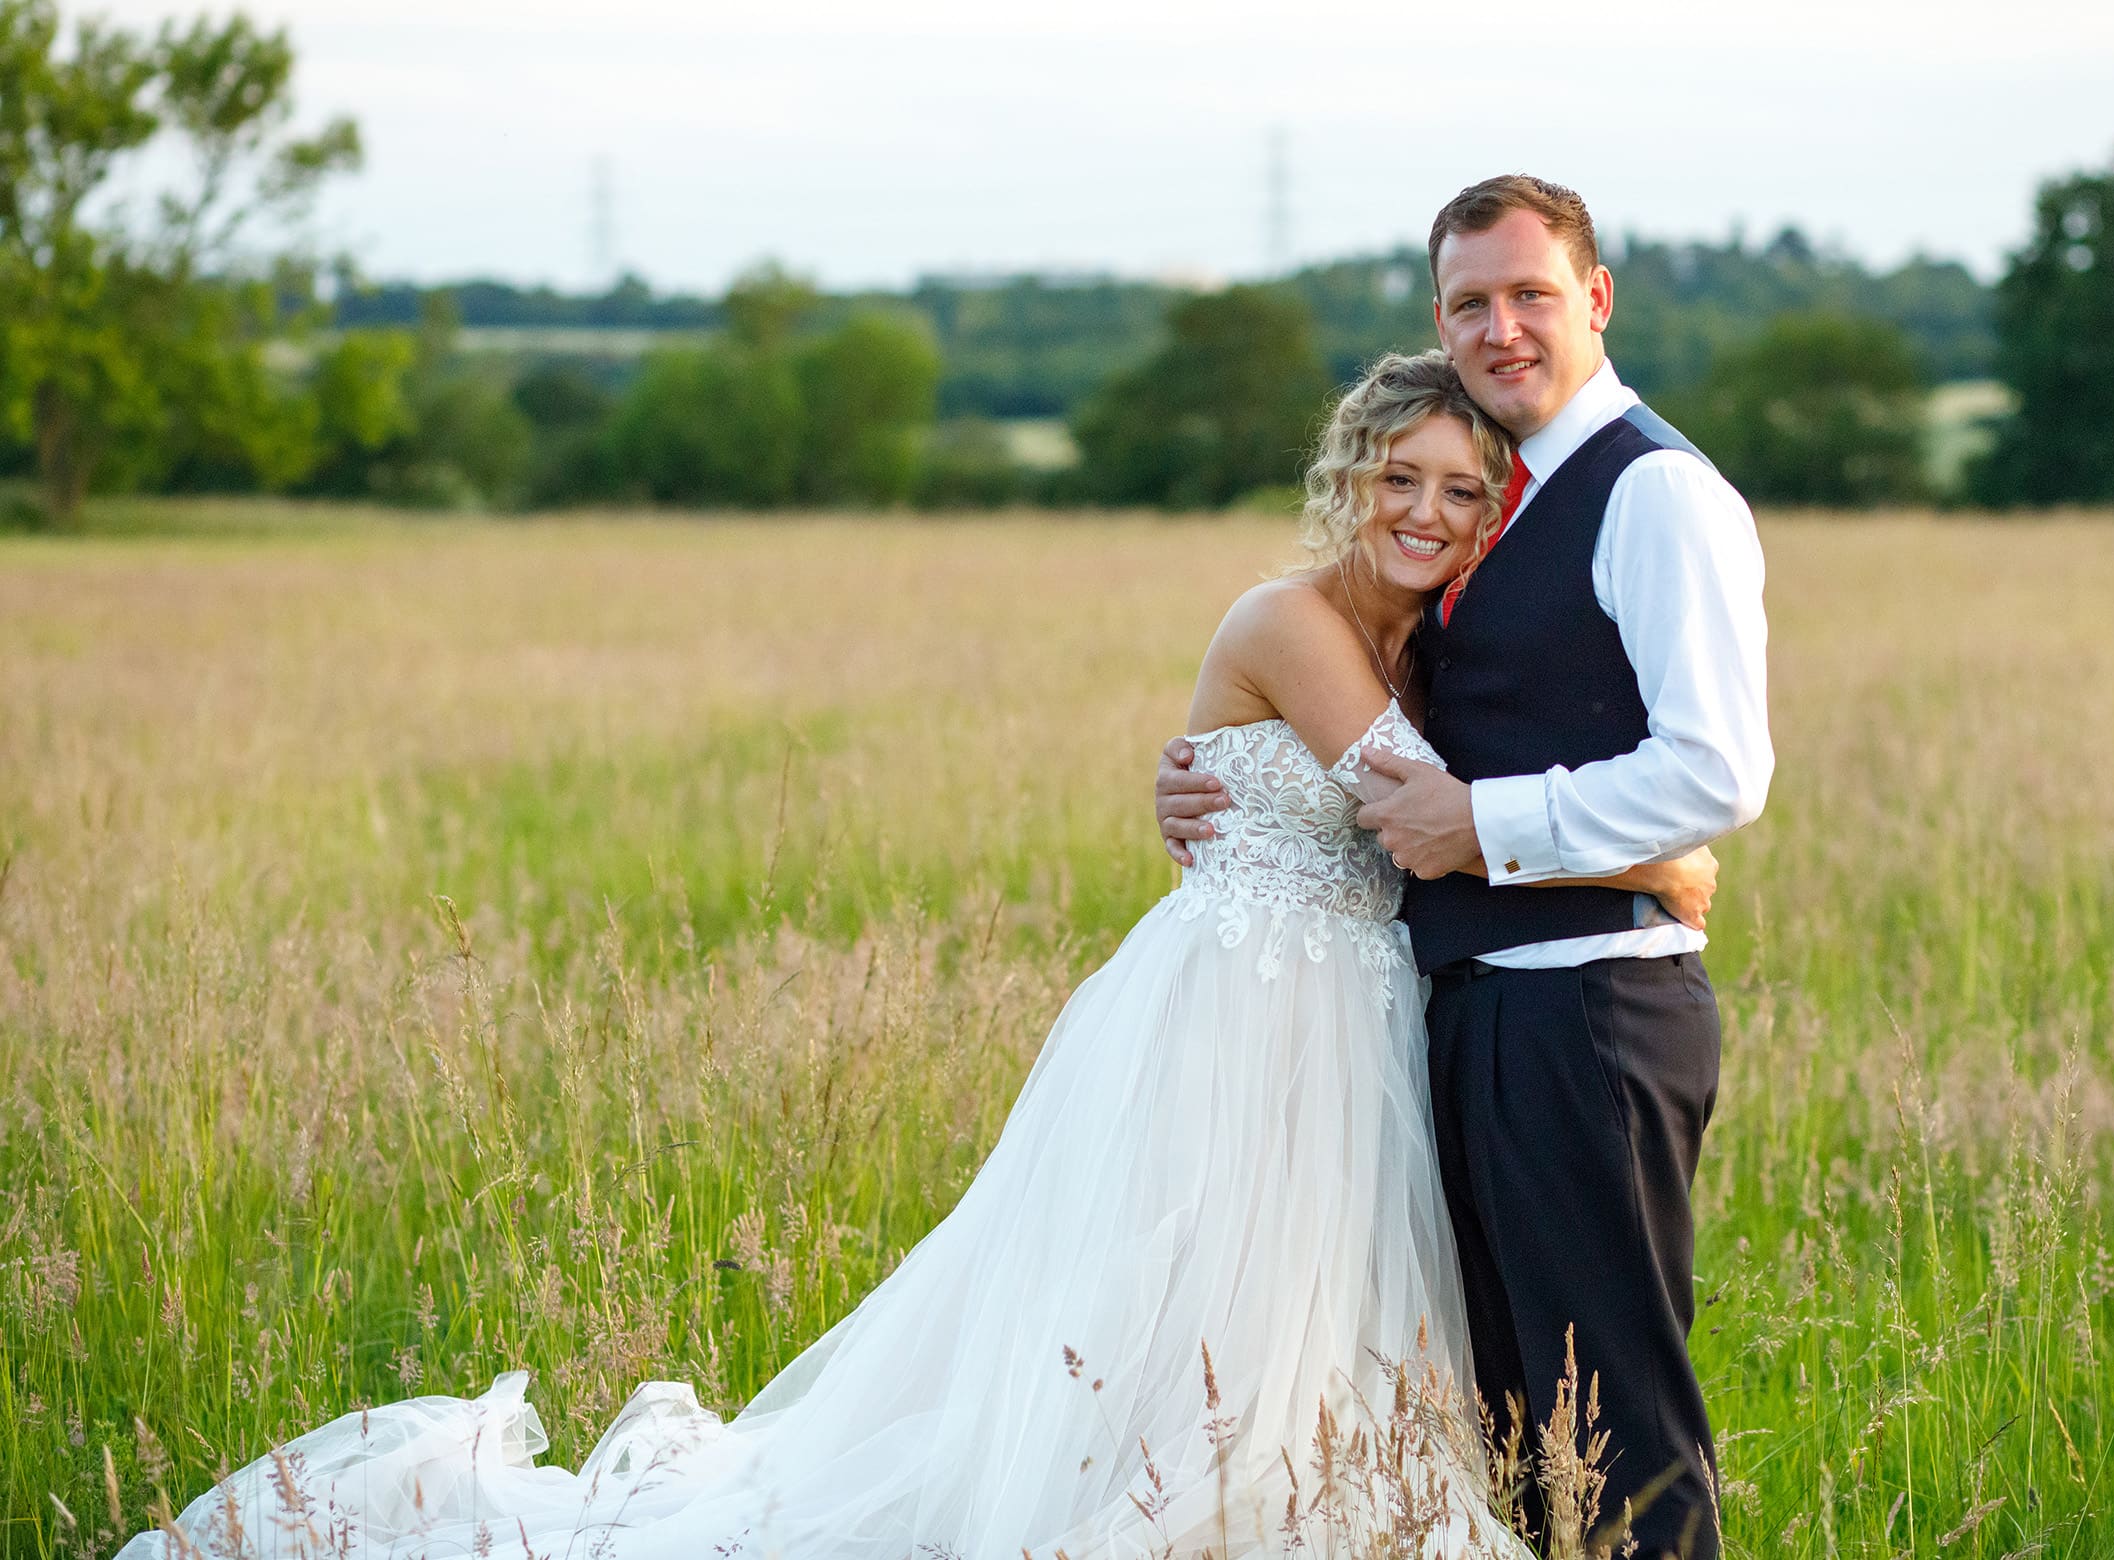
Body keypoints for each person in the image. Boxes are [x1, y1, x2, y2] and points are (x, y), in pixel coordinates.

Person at [119, 353, 1715, 1560]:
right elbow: (1415, 812)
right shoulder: (1292, 620)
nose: (1431, 513)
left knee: (1332, 1325)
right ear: (1352, 479)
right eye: (1403, 482)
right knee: (1178, 1311)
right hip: (1240, 1016)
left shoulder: (1433, 646)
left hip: (1362, 1021)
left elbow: (1443, 811)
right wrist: (1671, 856)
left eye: (1463, 491)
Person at [1158, 176, 1772, 1560]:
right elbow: (1362, 748)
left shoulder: (1657, 492)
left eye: (1531, 294)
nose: (1502, 328)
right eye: (1470, 303)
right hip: (1464, 1016)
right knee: (1509, 1426)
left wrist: (1521, 835)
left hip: (1589, 1014)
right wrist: (1210, 770)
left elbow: (1721, 770)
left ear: (1597, 300)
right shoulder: (1500, 507)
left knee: (1612, 1423)